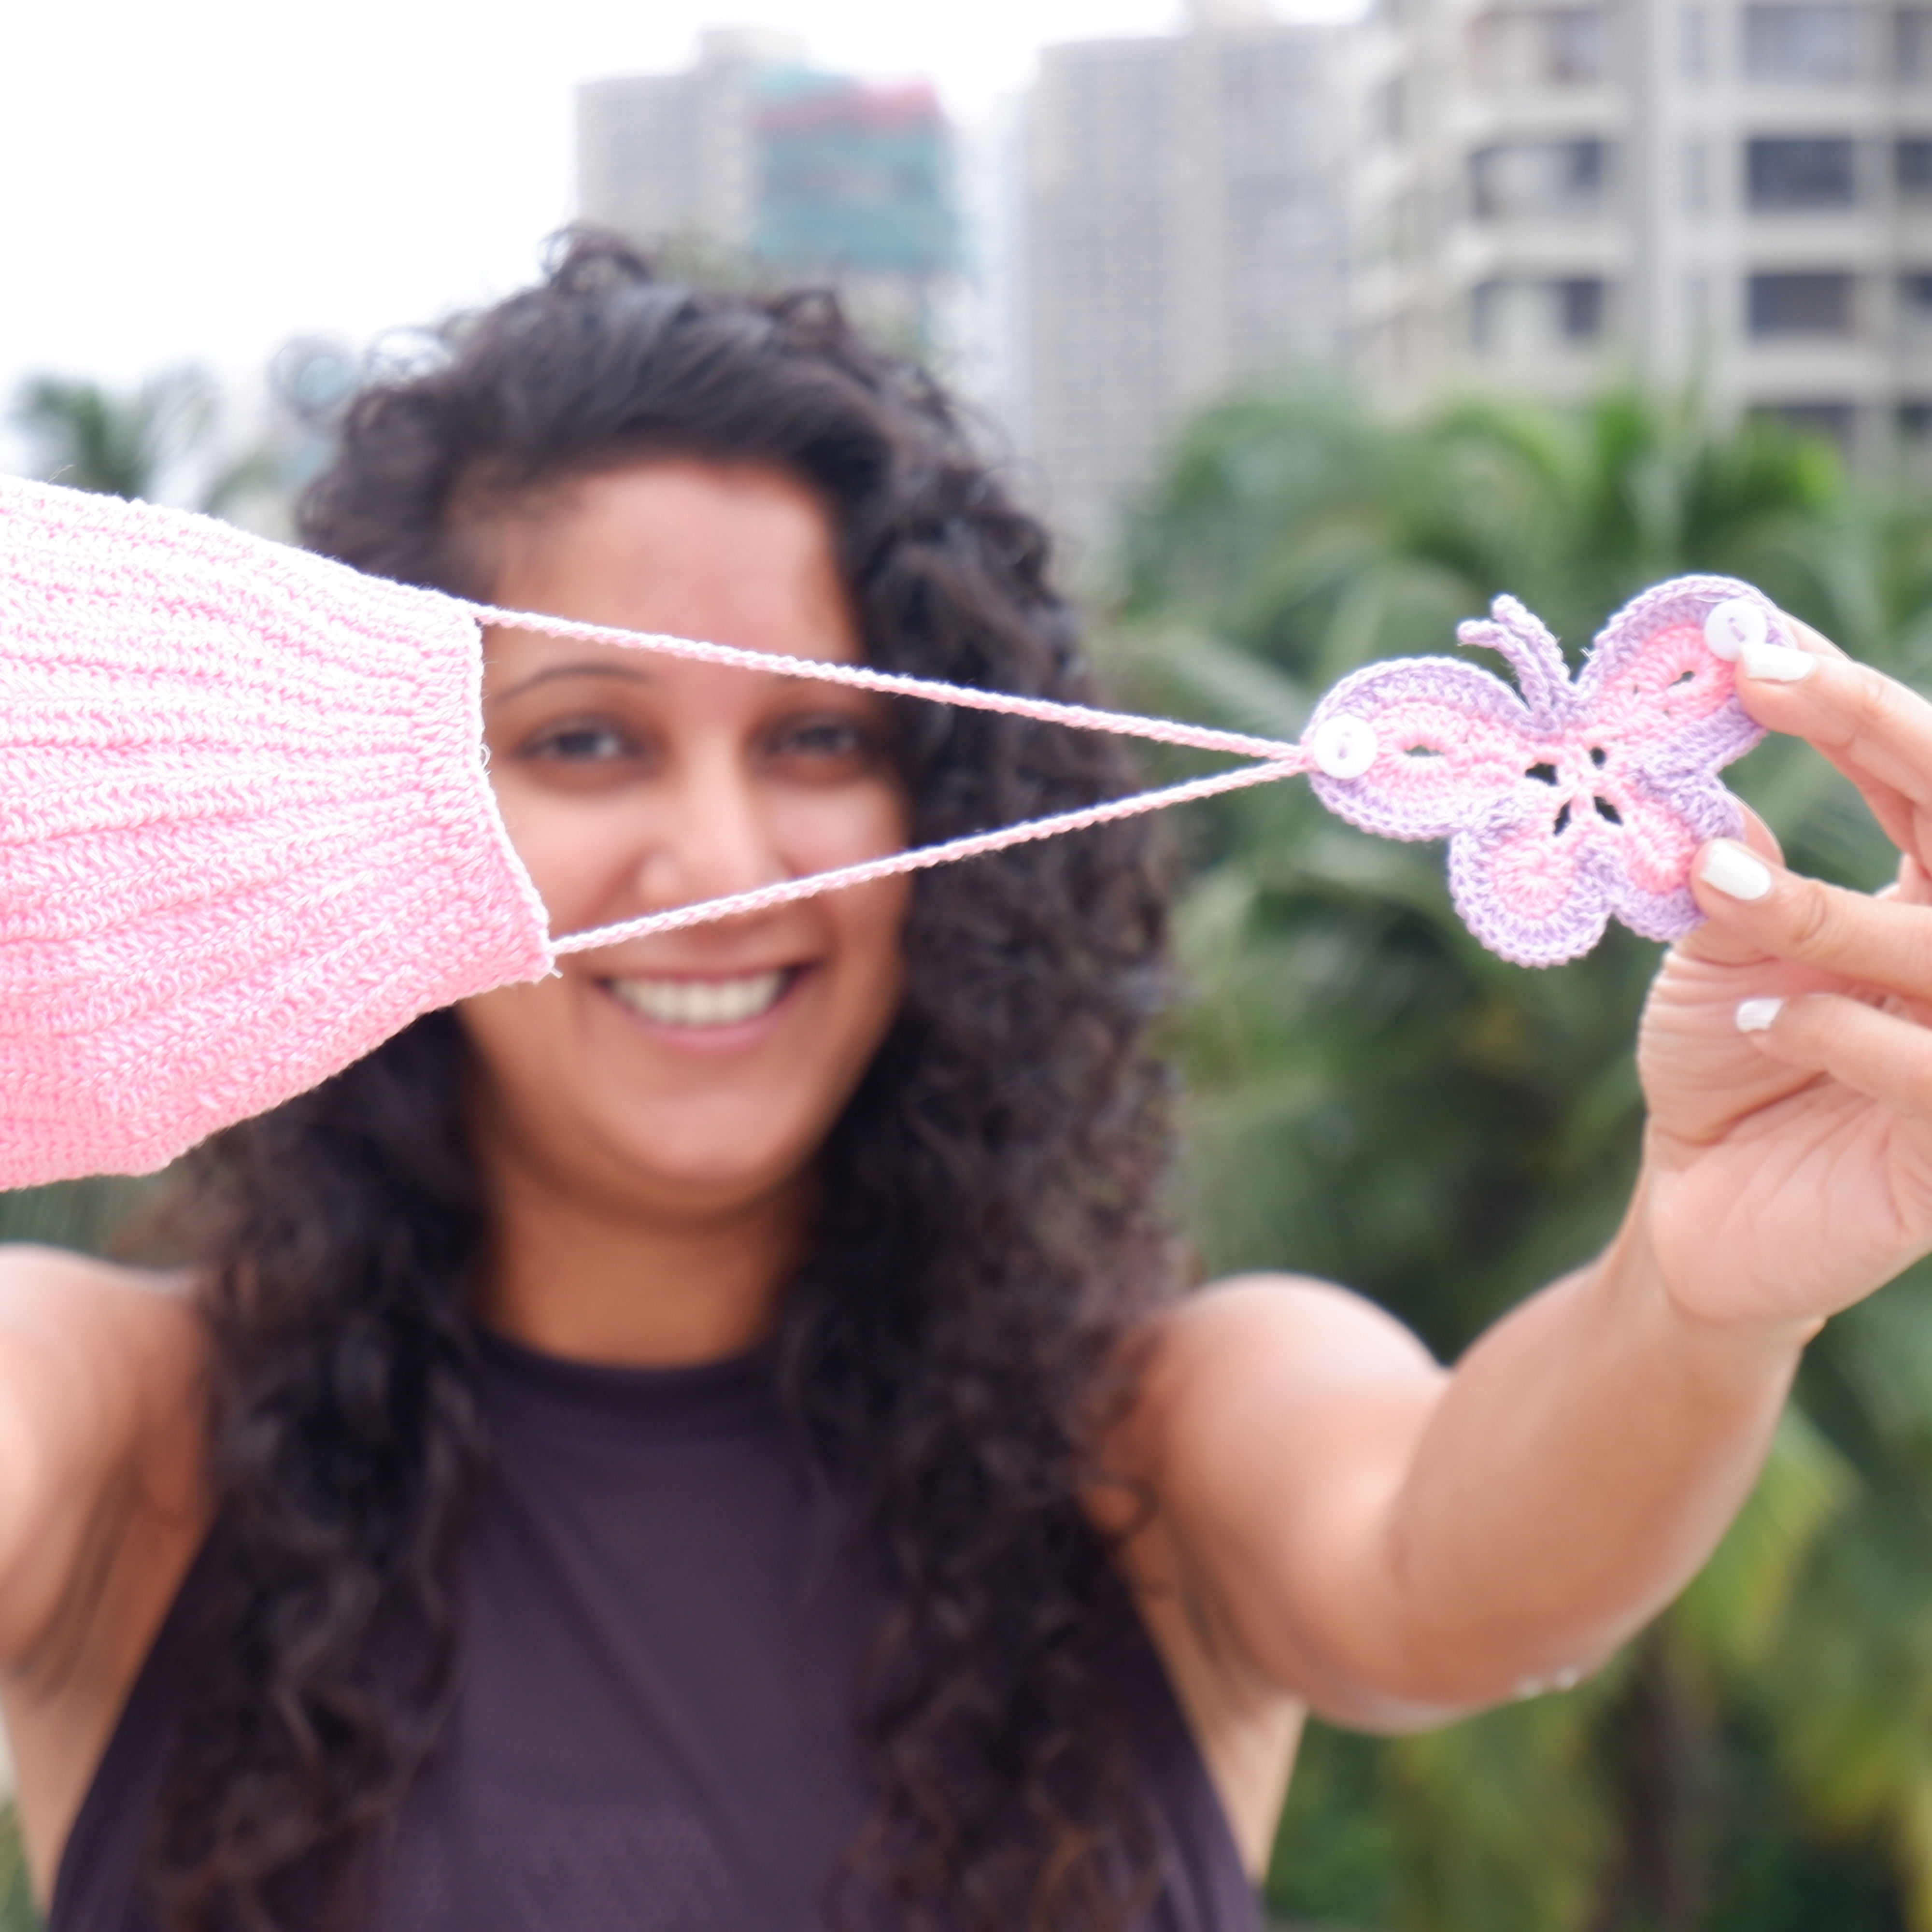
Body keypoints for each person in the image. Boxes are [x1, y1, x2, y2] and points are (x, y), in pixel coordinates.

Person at [4, 233, 1932, 1932]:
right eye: (586, 740)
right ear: (374, 808)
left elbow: (1457, 1567)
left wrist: (1695, 1289)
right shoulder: (118, 1433)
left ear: (958, 801)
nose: (719, 859)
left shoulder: (1164, 1436)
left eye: (822, 736)